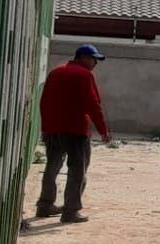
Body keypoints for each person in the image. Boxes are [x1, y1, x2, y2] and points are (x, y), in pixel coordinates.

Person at [36, 44, 111, 224]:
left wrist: (46, 126)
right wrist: (103, 130)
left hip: (52, 129)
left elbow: (44, 100)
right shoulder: (84, 75)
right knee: (77, 170)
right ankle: (70, 211)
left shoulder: (56, 71)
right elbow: (93, 105)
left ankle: (45, 205)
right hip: (75, 130)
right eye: (94, 59)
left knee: (52, 167)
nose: (95, 63)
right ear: (83, 57)